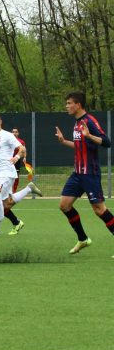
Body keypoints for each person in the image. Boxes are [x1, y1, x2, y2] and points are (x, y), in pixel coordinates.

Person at [55, 91, 113, 254]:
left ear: (78, 104)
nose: (66, 106)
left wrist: (90, 135)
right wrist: (64, 141)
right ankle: (83, 239)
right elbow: (81, 145)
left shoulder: (89, 121)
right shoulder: (77, 123)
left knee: (99, 210)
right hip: (78, 174)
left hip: (90, 173)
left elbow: (107, 142)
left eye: (69, 103)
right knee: (64, 205)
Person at [0, 113, 43, 237]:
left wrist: (16, 157)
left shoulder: (7, 135)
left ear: (0, 122)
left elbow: (22, 149)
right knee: (7, 203)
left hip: (7, 173)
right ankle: (29, 188)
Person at [11, 127, 26, 192]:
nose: (14, 133)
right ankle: (8, 192)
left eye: (16, 132)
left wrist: (24, 157)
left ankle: (14, 191)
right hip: (9, 161)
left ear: (18, 133)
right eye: (13, 132)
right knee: (9, 176)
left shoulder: (21, 141)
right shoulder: (9, 140)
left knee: (16, 177)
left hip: (17, 161)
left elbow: (24, 150)